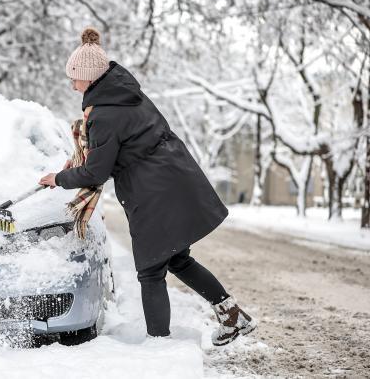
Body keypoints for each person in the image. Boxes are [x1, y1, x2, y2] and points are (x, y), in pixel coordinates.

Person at [39, 27, 257, 345]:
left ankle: (159, 345)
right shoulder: (127, 94)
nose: (72, 85)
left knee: (151, 270)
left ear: (89, 77)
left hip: (153, 192)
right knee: (176, 258)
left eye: (74, 78)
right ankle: (231, 315)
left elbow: (96, 173)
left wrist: (58, 179)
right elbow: (114, 151)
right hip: (174, 178)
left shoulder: (105, 114)